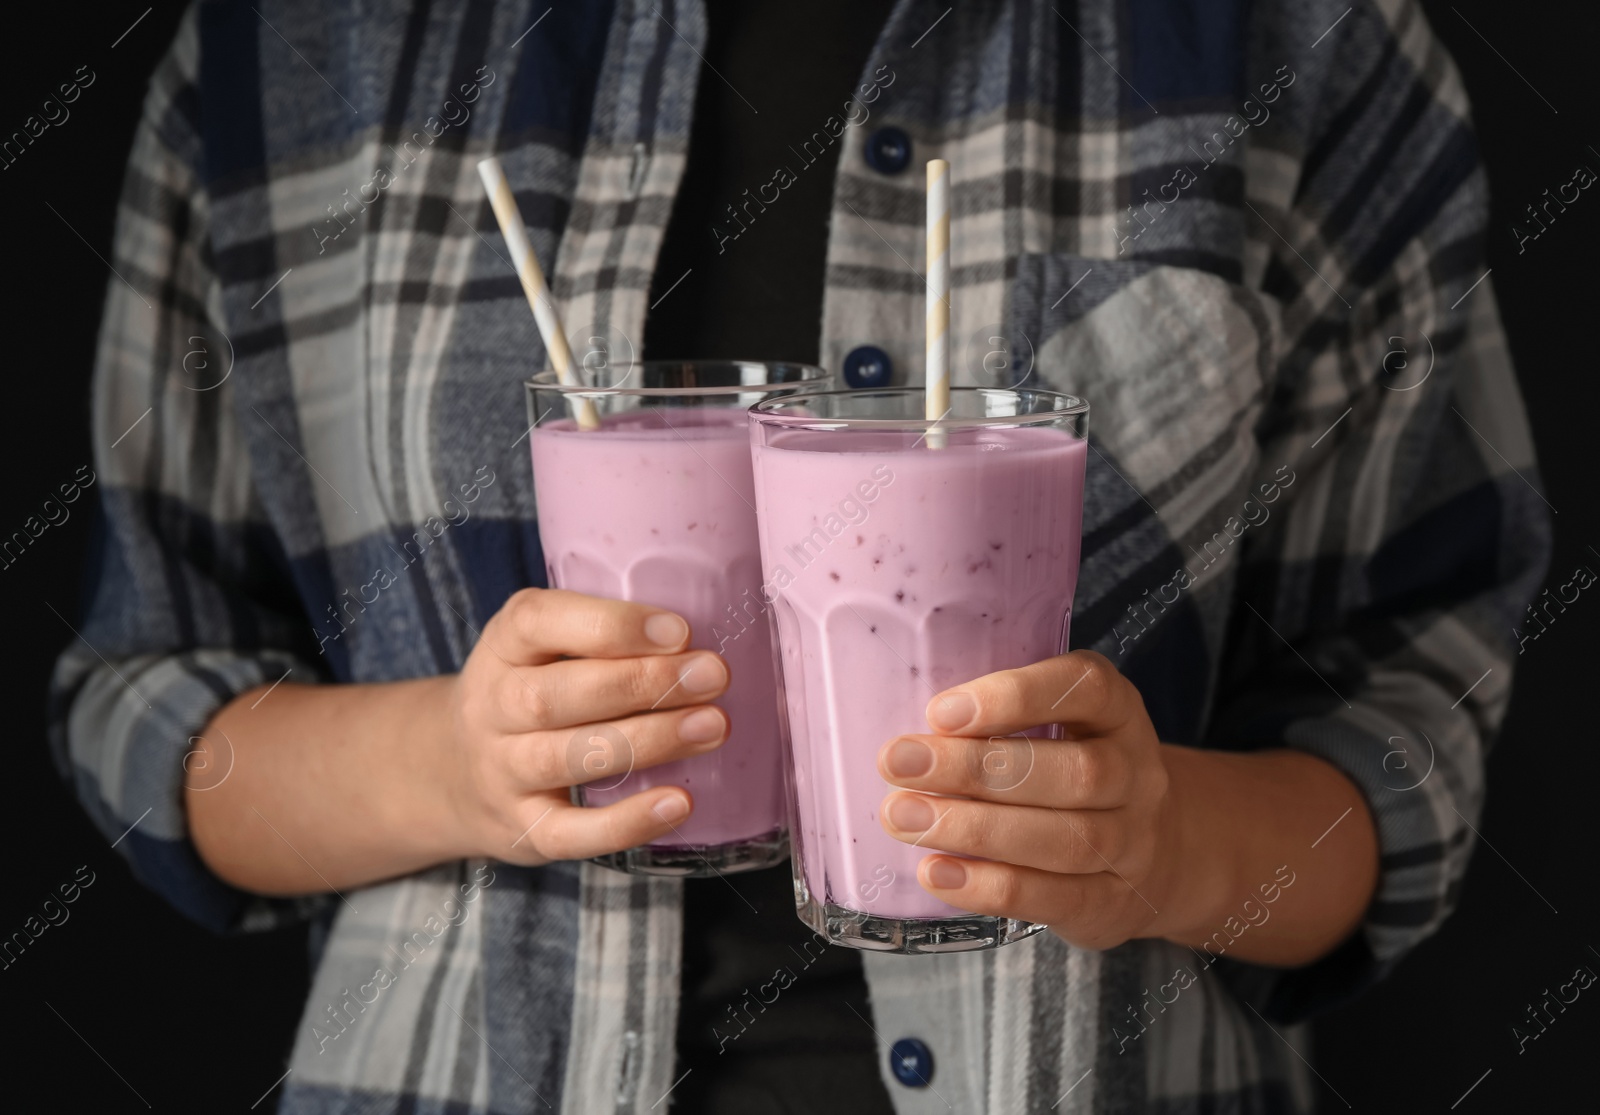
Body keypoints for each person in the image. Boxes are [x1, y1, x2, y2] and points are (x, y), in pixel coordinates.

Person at [52, 1, 1549, 1112]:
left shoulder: (1308, 42)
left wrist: (1164, 846)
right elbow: (146, 710)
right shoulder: (281, 54)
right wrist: (450, 762)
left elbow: (1409, 735)